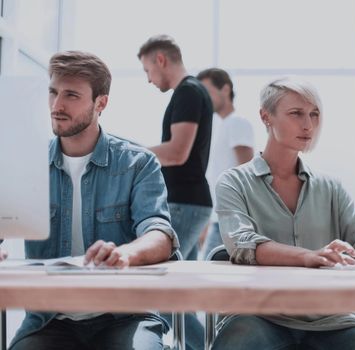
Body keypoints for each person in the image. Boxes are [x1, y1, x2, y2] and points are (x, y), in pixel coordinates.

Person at [212, 77, 355, 350]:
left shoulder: (330, 187)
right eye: (296, 114)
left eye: (314, 114)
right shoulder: (233, 182)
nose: (308, 125)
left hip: (329, 317)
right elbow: (242, 244)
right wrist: (308, 255)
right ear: (265, 117)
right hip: (258, 313)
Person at [9, 51, 177, 350]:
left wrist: (125, 254)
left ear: (101, 103)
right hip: (51, 319)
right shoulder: (25, 162)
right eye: (53, 92)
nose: (57, 106)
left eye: (71, 95)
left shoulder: (137, 163)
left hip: (125, 314)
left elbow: (159, 234)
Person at [138, 34, 213, 350]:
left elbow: (177, 152)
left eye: (147, 71)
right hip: (188, 202)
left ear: (160, 59)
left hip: (184, 203)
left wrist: (132, 153)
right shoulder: (191, 92)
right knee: (180, 292)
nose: (149, 80)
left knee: (165, 292)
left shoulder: (188, 93)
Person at [196, 68, 254, 258]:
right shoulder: (220, 126)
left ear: (225, 89)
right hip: (219, 217)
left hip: (232, 219)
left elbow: (247, 171)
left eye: (207, 91)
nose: (203, 98)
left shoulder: (237, 122)